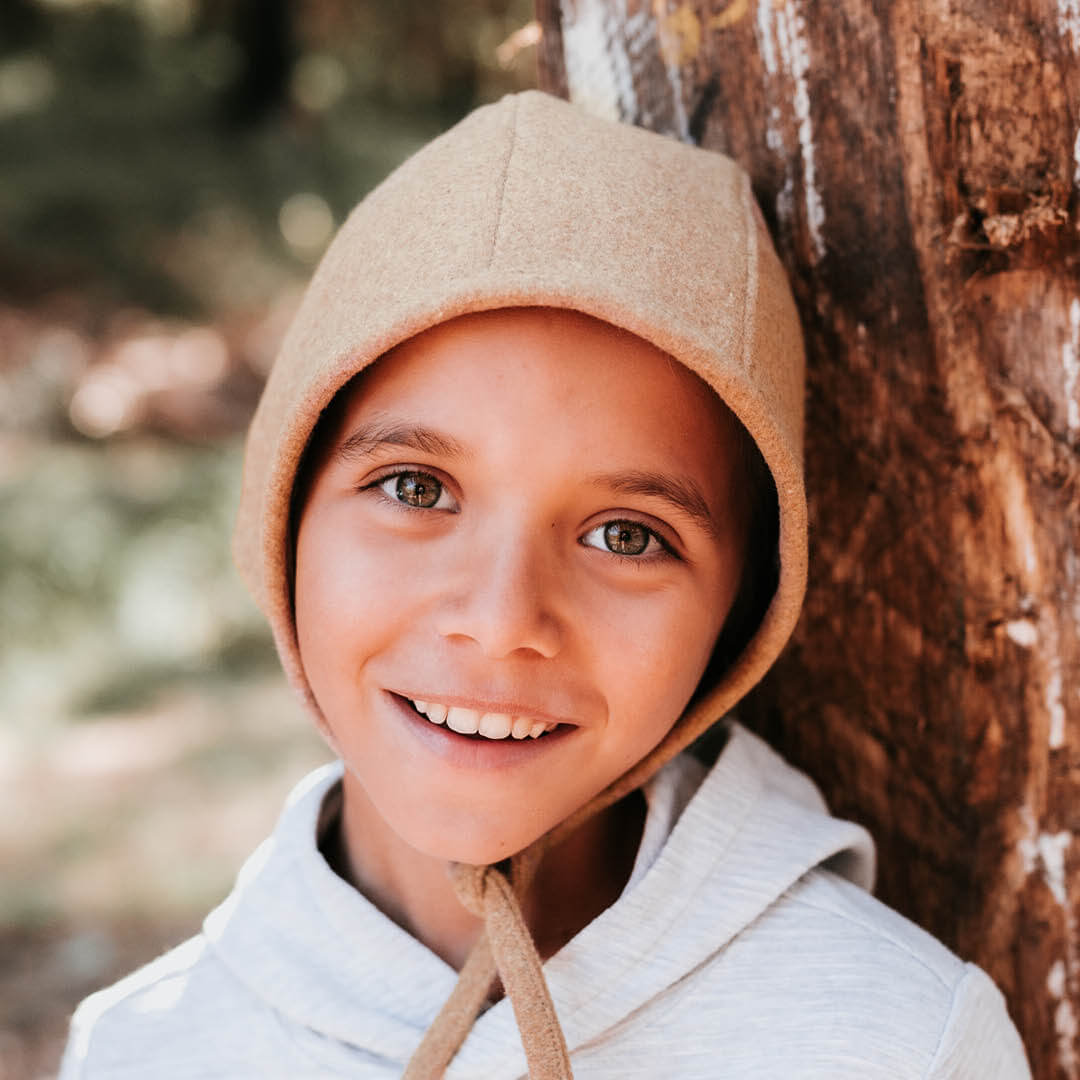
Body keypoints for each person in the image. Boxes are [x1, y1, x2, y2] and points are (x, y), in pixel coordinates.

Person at [59, 90, 1031, 1079]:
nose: (499, 621)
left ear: (738, 613)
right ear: (283, 514)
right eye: (414, 487)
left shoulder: (899, 1043)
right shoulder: (146, 1047)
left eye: (626, 535)